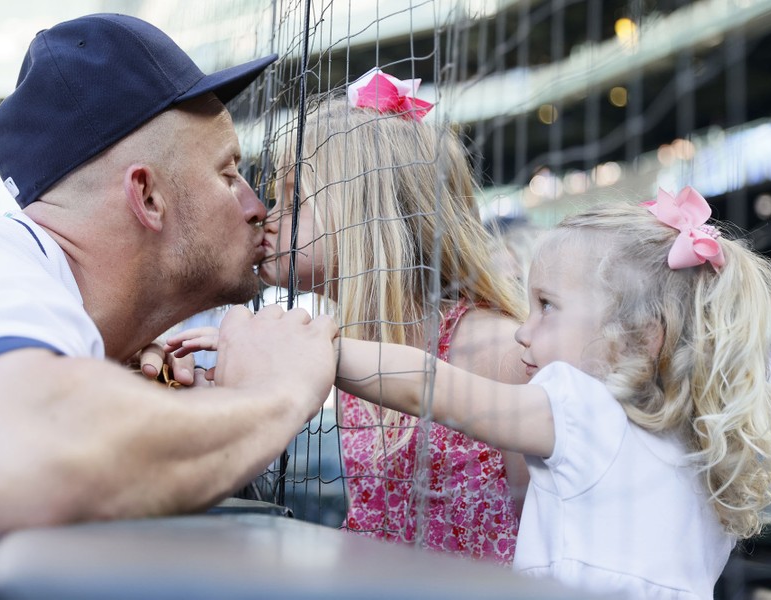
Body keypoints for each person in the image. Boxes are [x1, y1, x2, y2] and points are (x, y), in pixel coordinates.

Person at [0, 13, 337, 599]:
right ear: (147, 195)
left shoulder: (20, 286)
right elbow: (29, 463)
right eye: (229, 175)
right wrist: (275, 392)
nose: (257, 206)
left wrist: (116, 386)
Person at [329, 187, 771, 598]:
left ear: (641, 338)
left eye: (547, 306)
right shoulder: (706, 453)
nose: (522, 332)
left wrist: (324, 351)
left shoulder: (580, 409)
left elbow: (427, 386)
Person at [169, 69, 531, 564]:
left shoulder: (501, 352)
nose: (267, 216)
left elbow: (549, 540)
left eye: (294, 199)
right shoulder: (352, 338)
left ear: (368, 215)